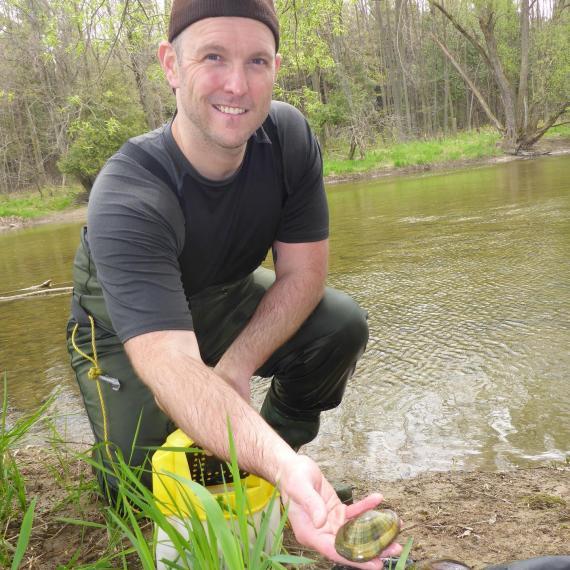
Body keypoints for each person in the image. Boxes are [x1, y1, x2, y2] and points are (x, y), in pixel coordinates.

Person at [66, 0, 401, 567]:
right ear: (171, 65)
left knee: (340, 324)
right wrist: (208, 395)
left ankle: (275, 471)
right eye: (213, 57)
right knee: (138, 488)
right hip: (124, 331)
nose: (237, 84)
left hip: (224, 297)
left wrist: (242, 372)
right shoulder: (129, 190)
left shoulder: (288, 137)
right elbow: (169, 363)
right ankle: (244, 465)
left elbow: (305, 273)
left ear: (276, 67)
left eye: (257, 61)